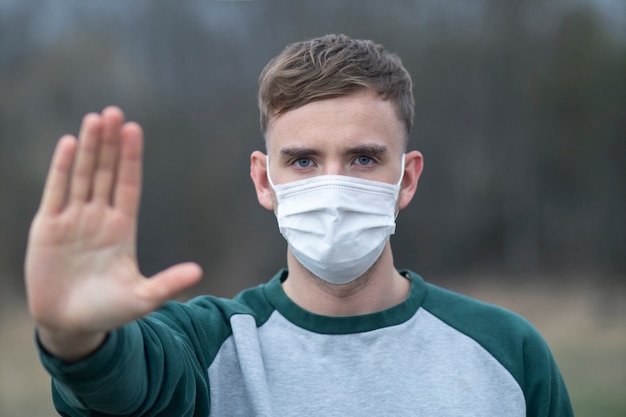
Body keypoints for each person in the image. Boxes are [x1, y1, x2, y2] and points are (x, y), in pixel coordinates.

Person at [26, 34, 573, 416]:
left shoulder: (507, 353)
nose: (332, 190)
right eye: (304, 161)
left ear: (406, 179)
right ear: (265, 181)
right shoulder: (206, 346)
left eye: (362, 159)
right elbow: (124, 387)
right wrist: (76, 337)